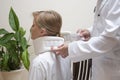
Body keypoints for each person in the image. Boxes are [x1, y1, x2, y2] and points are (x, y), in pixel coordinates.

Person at [51, 0, 120, 80]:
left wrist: (71, 49)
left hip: (113, 69)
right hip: (102, 69)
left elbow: (110, 39)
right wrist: (91, 31)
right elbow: (107, 24)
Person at [29, 10, 71, 80]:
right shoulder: (66, 57)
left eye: (33, 25)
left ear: (42, 31)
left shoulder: (38, 63)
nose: (31, 29)